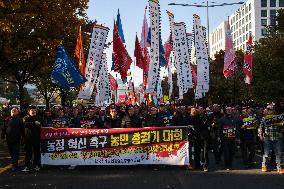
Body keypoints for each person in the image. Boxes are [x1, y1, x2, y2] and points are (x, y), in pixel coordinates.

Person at [259, 105, 284, 174]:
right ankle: (264, 166)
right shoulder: (264, 118)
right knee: (266, 154)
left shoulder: (278, 117)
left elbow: (282, 126)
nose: (269, 110)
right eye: (268, 109)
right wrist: (260, 135)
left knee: (278, 153)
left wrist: (281, 131)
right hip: (267, 138)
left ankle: (279, 167)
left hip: (277, 138)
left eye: (270, 109)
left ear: (273, 110)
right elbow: (260, 127)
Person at [218, 106, 242, 170]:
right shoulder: (221, 119)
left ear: (232, 110)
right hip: (224, 139)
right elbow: (219, 130)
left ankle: (230, 164)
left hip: (232, 138)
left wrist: (238, 138)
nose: (229, 110)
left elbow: (237, 129)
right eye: (227, 109)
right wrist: (219, 138)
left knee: (232, 152)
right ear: (225, 111)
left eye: (230, 109)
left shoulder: (236, 119)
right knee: (226, 152)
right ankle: (227, 165)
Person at [22, 106, 42, 172]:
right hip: (28, 139)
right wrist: (34, 123)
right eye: (32, 110)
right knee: (28, 153)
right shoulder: (26, 118)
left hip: (37, 139)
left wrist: (40, 124)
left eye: (35, 110)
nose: (33, 111)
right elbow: (24, 124)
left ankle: (36, 165)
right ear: (29, 111)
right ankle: (27, 166)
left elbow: (44, 124)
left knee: (37, 153)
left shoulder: (39, 118)